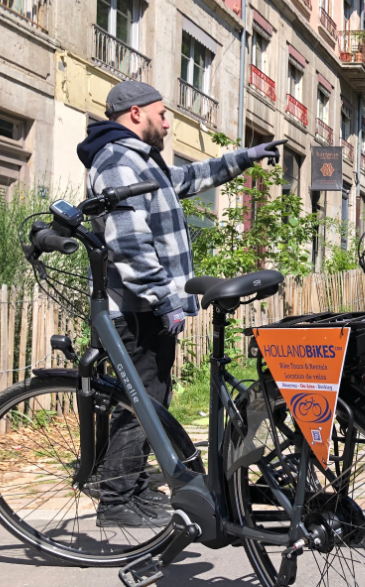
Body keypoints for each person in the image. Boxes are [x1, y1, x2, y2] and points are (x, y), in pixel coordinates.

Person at [76, 80, 285, 528]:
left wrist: (245, 158)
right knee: (142, 403)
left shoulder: (139, 160)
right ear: (136, 114)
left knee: (153, 400)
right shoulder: (116, 160)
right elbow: (129, 243)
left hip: (147, 307)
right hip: (135, 309)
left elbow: (190, 179)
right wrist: (164, 298)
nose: (169, 121)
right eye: (163, 112)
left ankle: (134, 488)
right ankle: (116, 501)